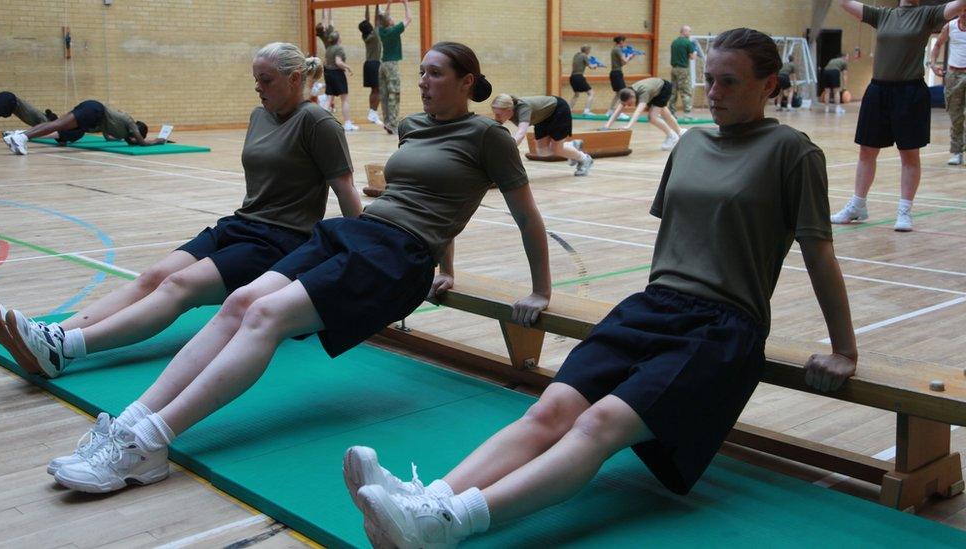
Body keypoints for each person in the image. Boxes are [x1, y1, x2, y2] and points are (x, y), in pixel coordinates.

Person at [347, 28, 858, 549]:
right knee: (548, 412)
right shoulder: (692, 144)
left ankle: (448, 523)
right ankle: (427, 496)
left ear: (769, 83)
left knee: (598, 425)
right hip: (653, 306)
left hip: (722, 327)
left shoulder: (793, 153)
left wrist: (844, 349)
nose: (715, 92)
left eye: (730, 82)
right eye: (710, 81)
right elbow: (674, 235)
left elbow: (819, 255)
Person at [47, 42, 553, 496]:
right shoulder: (413, 126)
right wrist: (451, 266)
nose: (423, 82)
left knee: (267, 317)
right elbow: (422, 193)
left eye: (436, 74)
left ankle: (151, 443)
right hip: (356, 232)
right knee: (239, 302)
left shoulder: (490, 136)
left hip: (399, 257)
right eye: (421, 72)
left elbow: (522, 215)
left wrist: (539, 290)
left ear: (468, 82)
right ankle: (132, 422)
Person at [0, 43, 361, 387]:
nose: (258, 89)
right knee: (152, 275)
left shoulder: (318, 123)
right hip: (238, 224)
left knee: (177, 288)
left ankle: (66, 348)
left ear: (295, 79)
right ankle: (52, 335)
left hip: (280, 241)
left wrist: (361, 258)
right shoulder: (259, 116)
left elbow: (345, 190)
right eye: (255, 81)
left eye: (266, 81)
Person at [831, 0, 966, 232]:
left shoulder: (927, 14)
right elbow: (845, 3)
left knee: (909, 154)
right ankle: (857, 205)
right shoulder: (882, 15)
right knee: (866, 151)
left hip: (910, 92)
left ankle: (904, 211)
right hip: (878, 91)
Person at [1, 98, 164, 155]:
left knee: (57, 126)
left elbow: (108, 136)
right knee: (57, 125)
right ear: (137, 132)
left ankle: (17, 135)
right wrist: (157, 140)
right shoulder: (129, 122)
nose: (135, 139)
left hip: (92, 112)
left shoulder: (120, 130)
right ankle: (21, 137)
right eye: (137, 136)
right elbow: (142, 143)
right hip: (94, 110)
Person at [491, 94, 593, 176]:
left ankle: (584, 159)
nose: (496, 117)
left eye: (498, 114)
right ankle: (571, 146)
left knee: (556, 149)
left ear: (509, 110)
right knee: (543, 152)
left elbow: (521, 133)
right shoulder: (509, 110)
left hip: (559, 110)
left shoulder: (523, 109)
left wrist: (506, 149)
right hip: (543, 118)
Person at [604, 77, 684, 151]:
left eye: (629, 103)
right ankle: (680, 132)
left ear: (633, 96)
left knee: (652, 117)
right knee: (665, 113)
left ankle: (672, 136)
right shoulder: (626, 93)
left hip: (663, 88)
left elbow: (638, 112)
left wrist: (629, 126)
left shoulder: (643, 92)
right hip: (654, 91)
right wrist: (606, 126)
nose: (628, 106)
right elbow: (617, 112)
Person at [930, 7, 966, 166]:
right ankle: (957, 152)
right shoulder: (950, 26)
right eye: (962, 10)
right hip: (953, 74)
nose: (964, 13)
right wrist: (932, 64)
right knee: (955, 115)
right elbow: (937, 45)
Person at [378, 0, 412, 134]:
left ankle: (387, 122)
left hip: (383, 65)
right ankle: (393, 123)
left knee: (384, 94)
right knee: (394, 93)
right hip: (391, 64)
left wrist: (389, 3)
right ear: (390, 22)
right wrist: (405, 3)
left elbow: (384, 17)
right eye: (391, 18)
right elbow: (409, 18)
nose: (392, 18)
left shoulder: (382, 30)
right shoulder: (394, 30)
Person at [324, 30, 359, 132]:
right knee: (344, 99)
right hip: (337, 74)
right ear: (338, 39)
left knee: (329, 99)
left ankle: (322, 121)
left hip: (328, 74)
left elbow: (325, 62)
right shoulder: (339, 49)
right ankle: (348, 123)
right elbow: (338, 62)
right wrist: (348, 67)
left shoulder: (328, 48)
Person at [361, 5, 385, 125]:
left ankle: (372, 113)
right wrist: (376, 4)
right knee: (379, 90)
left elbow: (367, 21)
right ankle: (373, 112)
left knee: (374, 90)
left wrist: (367, 5)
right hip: (374, 64)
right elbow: (376, 20)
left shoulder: (365, 36)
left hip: (368, 65)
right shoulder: (375, 34)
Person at [669, 25, 697, 116]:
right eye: (689, 31)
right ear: (684, 32)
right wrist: (695, 51)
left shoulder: (674, 42)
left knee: (673, 91)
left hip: (674, 69)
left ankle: (672, 112)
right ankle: (687, 114)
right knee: (685, 91)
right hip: (683, 69)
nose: (689, 33)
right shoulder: (687, 43)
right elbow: (692, 57)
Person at [606, 35, 637, 116]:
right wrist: (630, 56)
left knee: (618, 94)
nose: (624, 43)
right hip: (616, 73)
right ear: (621, 42)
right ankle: (619, 113)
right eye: (624, 41)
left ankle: (610, 111)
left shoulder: (615, 49)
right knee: (623, 93)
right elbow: (624, 60)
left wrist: (630, 57)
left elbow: (621, 64)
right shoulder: (617, 49)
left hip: (615, 72)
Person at [569, 45, 597, 115]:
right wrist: (595, 65)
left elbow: (582, 62)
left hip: (572, 77)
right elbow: (590, 66)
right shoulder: (584, 55)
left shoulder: (576, 55)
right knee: (591, 93)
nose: (589, 52)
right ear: (587, 50)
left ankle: (568, 110)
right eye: (589, 50)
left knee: (576, 95)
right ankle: (586, 111)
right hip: (579, 77)